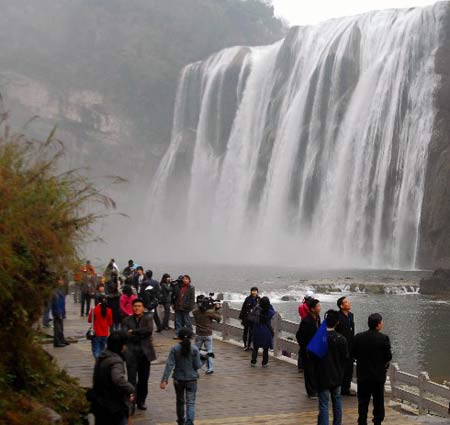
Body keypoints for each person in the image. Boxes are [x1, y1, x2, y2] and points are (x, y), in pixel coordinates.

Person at [353, 313, 392, 425]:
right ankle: (377, 421)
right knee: (378, 400)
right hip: (378, 376)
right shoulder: (384, 338)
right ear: (378, 324)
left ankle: (362, 420)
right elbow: (388, 356)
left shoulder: (359, 337)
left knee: (363, 401)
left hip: (363, 375)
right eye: (381, 322)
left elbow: (353, 353)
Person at [91, 331, 135, 425]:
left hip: (99, 403)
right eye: (124, 344)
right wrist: (130, 389)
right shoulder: (115, 361)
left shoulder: (102, 356)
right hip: (113, 407)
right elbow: (118, 379)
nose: (125, 347)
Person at [160, 327, 202, 425]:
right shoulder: (195, 349)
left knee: (180, 401)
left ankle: (180, 421)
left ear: (179, 337)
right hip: (191, 378)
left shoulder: (174, 349)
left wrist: (164, 380)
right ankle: (190, 422)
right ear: (192, 337)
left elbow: (169, 365)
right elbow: (197, 365)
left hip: (178, 379)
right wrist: (203, 360)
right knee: (190, 402)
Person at [315, 310, 348, 425]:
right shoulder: (342, 339)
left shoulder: (319, 338)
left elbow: (312, 356)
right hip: (337, 374)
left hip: (322, 374)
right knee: (337, 401)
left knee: (324, 404)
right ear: (337, 322)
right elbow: (345, 358)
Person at [122, 299, 156, 411]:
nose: (137, 308)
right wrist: (137, 333)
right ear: (132, 307)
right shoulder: (127, 320)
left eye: (139, 306)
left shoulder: (148, 318)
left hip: (145, 354)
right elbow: (125, 334)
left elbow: (149, 330)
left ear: (143, 308)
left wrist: (134, 332)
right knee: (131, 379)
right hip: (131, 354)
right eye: (135, 306)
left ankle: (141, 401)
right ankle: (132, 401)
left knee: (143, 379)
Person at [297, 298, 321, 398]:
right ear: (312, 309)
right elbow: (299, 335)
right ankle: (311, 392)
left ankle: (316, 389)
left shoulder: (318, 318)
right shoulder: (306, 321)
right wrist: (305, 347)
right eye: (318, 306)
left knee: (316, 370)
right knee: (309, 371)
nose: (320, 308)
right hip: (308, 350)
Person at [192, 295, 222, 374]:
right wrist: (217, 309)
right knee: (209, 351)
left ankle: (194, 367)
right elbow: (219, 319)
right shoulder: (210, 312)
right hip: (208, 334)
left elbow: (196, 310)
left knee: (196, 351)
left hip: (198, 334)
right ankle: (210, 368)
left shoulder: (195, 312)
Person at [335, 296, 356, 396]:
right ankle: (338, 387)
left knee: (349, 369)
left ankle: (346, 389)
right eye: (346, 302)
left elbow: (352, 330)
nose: (349, 303)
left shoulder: (351, 315)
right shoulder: (337, 317)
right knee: (341, 368)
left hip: (350, 346)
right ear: (341, 306)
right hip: (340, 346)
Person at [250, 296, 275, 368]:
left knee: (255, 348)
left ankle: (253, 362)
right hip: (266, 331)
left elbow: (252, 315)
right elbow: (273, 311)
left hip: (257, 330)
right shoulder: (270, 311)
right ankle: (264, 363)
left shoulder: (257, 310)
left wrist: (258, 305)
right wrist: (269, 305)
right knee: (266, 349)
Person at [297, 289, 314, 371]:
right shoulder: (311, 308)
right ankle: (309, 365)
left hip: (303, 326)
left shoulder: (301, 307)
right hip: (309, 327)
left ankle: (300, 366)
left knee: (302, 347)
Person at [238, 287, 260, 351]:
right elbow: (243, 308)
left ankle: (250, 345)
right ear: (251, 292)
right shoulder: (248, 299)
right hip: (247, 318)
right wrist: (240, 317)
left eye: (255, 291)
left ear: (257, 292)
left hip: (254, 319)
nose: (254, 292)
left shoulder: (259, 299)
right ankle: (245, 345)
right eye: (253, 291)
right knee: (246, 332)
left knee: (252, 332)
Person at [52, 277, 69, 347]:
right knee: (57, 327)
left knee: (61, 326)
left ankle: (61, 339)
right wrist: (58, 312)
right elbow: (56, 303)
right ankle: (57, 341)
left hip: (61, 310)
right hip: (57, 311)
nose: (62, 281)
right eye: (61, 280)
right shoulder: (55, 291)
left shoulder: (60, 290)